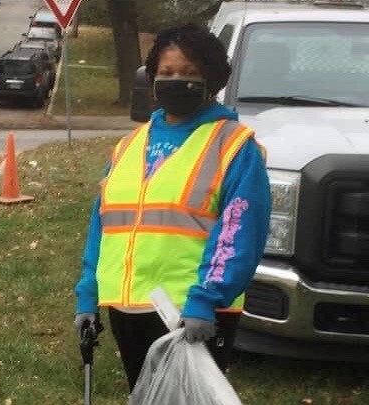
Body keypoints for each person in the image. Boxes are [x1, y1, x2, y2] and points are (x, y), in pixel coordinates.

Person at [74, 23, 271, 395]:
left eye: (189, 73)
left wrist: (205, 299)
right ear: (151, 79)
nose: (175, 80)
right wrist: (88, 294)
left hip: (191, 312)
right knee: (145, 396)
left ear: (211, 80)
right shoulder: (130, 145)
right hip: (127, 308)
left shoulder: (233, 145)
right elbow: (103, 223)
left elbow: (240, 232)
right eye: (166, 73)